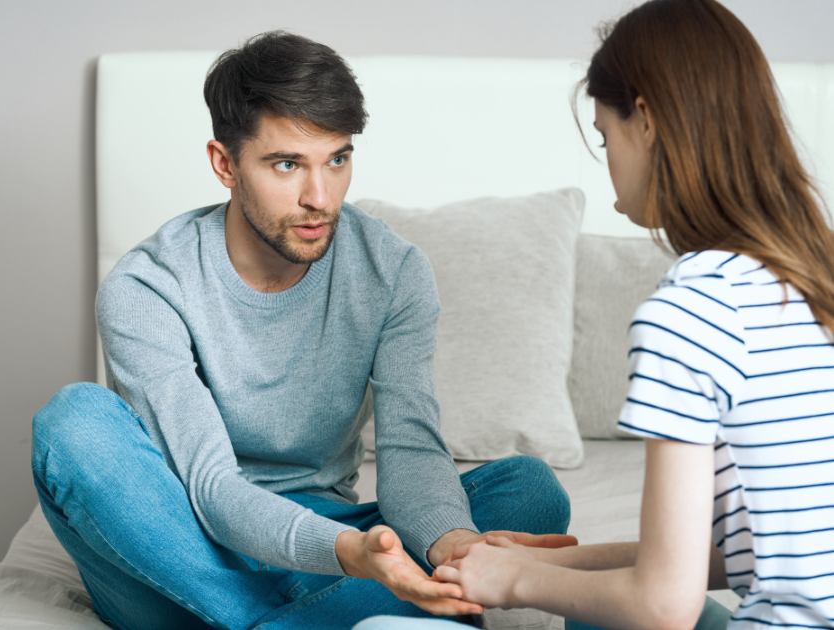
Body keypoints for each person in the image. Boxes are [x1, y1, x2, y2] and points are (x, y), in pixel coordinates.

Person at [30, 31, 577, 630]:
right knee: (73, 421)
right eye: (287, 164)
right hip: (185, 542)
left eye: (337, 159)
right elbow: (210, 487)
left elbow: (412, 451)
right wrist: (352, 558)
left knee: (530, 489)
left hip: (331, 535)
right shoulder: (148, 287)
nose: (319, 198)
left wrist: (448, 546)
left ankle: (287, 620)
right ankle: (292, 619)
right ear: (225, 164)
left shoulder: (392, 272)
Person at [354, 1, 834, 629]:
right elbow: (763, 550)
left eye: (606, 135)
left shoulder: (695, 307)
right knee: (592, 607)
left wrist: (516, 580)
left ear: (649, 120)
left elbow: (662, 606)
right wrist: (560, 568)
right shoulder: (810, 276)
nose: (607, 158)